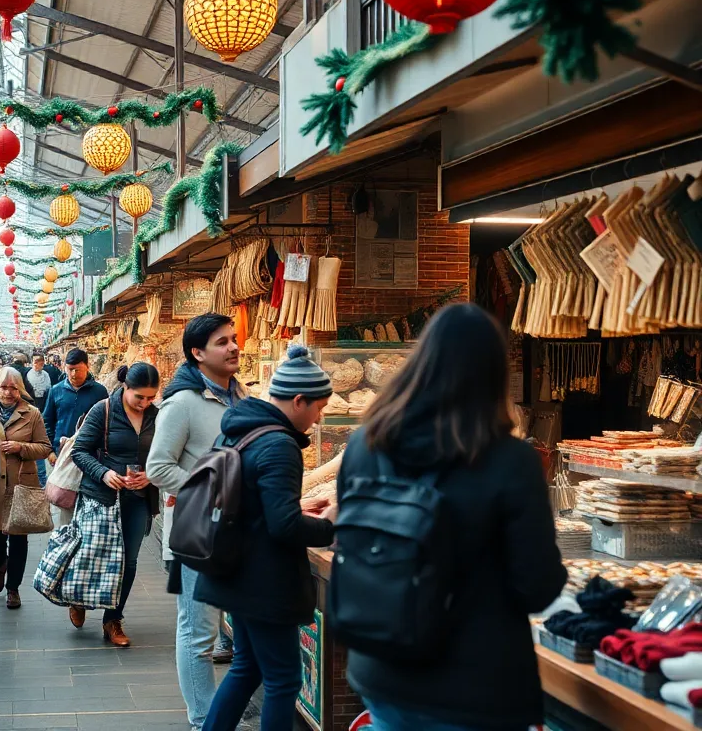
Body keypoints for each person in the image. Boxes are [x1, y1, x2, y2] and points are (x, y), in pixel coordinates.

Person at [338, 304, 566, 731]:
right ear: (493, 373)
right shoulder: (509, 460)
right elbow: (536, 587)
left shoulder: (365, 445)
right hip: (474, 684)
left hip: (381, 666)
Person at [198, 344, 336, 731]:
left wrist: (295, 507)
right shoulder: (279, 444)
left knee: (247, 667)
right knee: (283, 680)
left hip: (236, 572)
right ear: (298, 401)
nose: (319, 416)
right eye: (319, 407)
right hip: (263, 582)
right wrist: (331, 524)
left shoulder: (244, 428)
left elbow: (254, 502)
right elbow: (284, 526)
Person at [146, 313, 242, 730]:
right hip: (196, 533)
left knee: (231, 628)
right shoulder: (182, 403)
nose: (234, 347)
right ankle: (204, 718)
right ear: (198, 353)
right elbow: (157, 467)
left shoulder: (239, 396)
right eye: (223, 342)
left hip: (236, 532)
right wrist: (210, 491)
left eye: (234, 339)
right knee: (198, 632)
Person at [69, 363, 160, 647]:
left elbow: (167, 454)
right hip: (101, 497)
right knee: (92, 553)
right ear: (125, 388)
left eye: (151, 398)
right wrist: (104, 473)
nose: (145, 403)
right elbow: (79, 451)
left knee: (128, 560)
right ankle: (79, 598)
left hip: (137, 498)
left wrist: (151, 475)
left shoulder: (158, 416)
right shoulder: (103, 410)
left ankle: (113, 619)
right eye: (139, 397)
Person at [0, 367, 52, 609]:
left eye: (14, 387)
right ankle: (1, 563)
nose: (9, 392)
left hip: (21, 483)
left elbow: (44, 447)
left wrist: (20, 447)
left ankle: (13, 589)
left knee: (19, 539)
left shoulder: (32, 414)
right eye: (4, 387)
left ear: (20, 388)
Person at [42, 348, 109, 454]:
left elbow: (106, 423)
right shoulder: (55, 390)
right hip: (61, 449)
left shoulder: (100, 392)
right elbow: (47, 422)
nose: (73, 374)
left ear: (88, 367)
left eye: (78, 370)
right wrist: (50, 451)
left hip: (90, 452)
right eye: (70, 369)